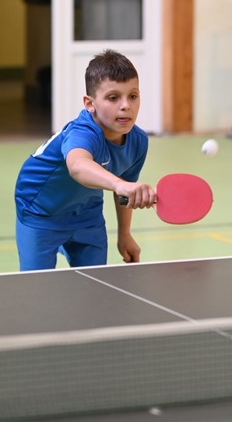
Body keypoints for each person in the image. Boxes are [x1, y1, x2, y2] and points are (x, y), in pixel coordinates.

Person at [14, 49, 156, 270]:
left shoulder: (138, 141)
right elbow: (77, 165)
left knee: (95, 285)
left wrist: (124, 234)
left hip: (86, 211)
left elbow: (124, 194)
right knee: (37, 288)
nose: (125, 105)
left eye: (133, 96)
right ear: (90, 104)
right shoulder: (82, 132)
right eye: (113, 97)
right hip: (40, 210)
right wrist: (120, 185)